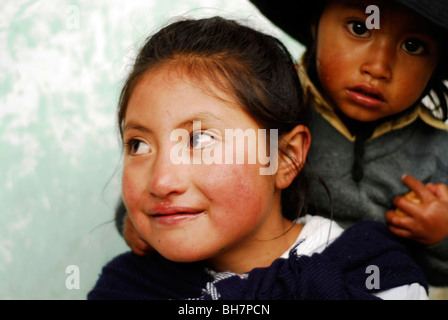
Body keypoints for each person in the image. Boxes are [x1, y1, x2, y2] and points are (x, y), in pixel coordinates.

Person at [88, 17, 428, 300]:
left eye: (199, 139)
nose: (161, 181)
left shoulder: (374, 275)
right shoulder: (125, 289)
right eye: (138, 145)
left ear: (285, 157)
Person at [246, 0, 448, 287]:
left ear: (437, 64)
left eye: (413, 46)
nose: (378, 67)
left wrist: (441, 236)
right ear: (315, 25)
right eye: (359, 28)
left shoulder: (439, 154)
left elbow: (435, 276)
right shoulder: (270, 116)